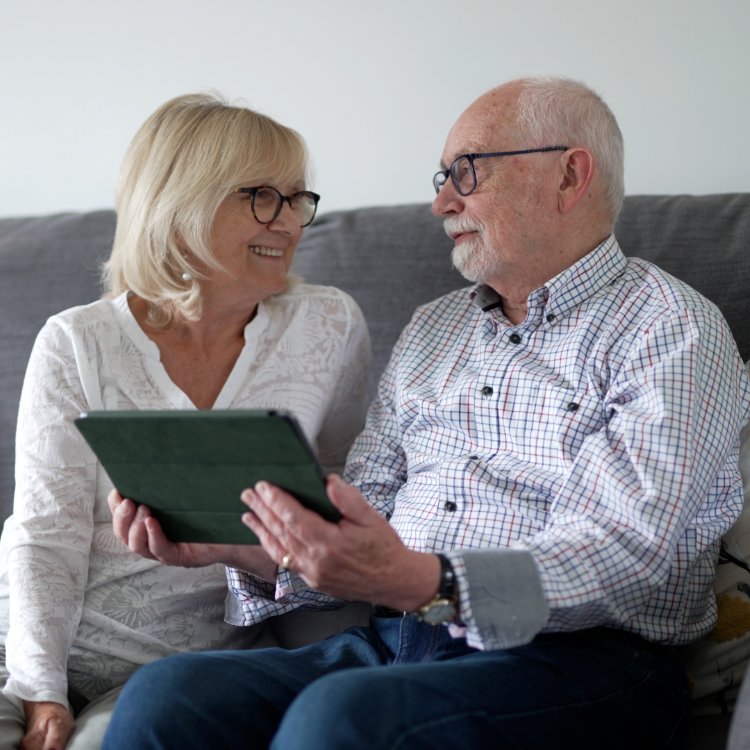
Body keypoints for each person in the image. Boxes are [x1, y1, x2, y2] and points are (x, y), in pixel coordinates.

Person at [103, 77, 750, 750]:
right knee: (171, 694)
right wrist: (237, 550)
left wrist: (424, 579)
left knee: (347, 717)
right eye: (443, 177)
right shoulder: (431, 330)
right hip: (401, 642)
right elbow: (364, 522)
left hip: (585, 660)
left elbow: (628, 554)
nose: (442, 202)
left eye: (466, 172)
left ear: (569, 174)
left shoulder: (670, 328)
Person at [0, 93, 370, 750]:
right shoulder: (76, 341)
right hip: (34, 652)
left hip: (190, 668)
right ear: (178, 205)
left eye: (297, 198)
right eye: (261, 196)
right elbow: (42, 534)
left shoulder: (328, 325)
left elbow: (344, 494)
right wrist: (41, 691)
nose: (289, 222)